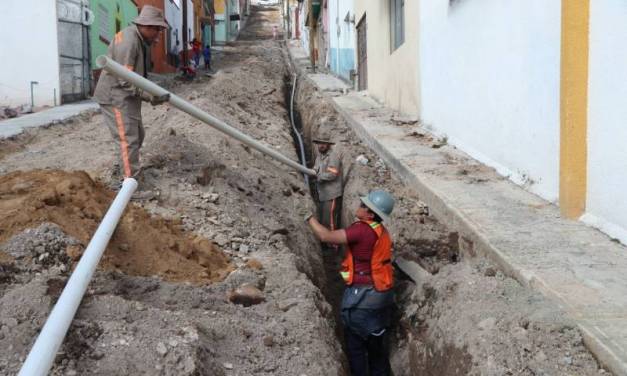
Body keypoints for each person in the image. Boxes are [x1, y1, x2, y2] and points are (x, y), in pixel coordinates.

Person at [304, 190, 396, 376]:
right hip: (382, 295)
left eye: (364, 205)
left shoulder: (362, 230)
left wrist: (308, 218)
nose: (359, 205)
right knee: (377, 346)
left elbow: (326, 236)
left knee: (356, 347)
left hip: (362, 299)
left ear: (370, 214)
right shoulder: (381, 231)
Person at [93, 5, 170, 198]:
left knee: (138, 135)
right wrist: (150, 96)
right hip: (116, 96)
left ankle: (126, 172)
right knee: (128, 139)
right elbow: (124, 80)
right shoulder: (129, 42)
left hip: (125, 95)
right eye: (157, 30)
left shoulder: (136, 37)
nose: (158, 34)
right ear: (148, 26)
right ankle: (130, 186)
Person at [312, 129, 343, 241]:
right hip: (323, 193)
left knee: (330, 221)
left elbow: (333, 174)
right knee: (323, 220)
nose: (321, 145)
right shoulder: (319, 156)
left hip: (331, 194)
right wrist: (313, 171)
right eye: (319, 143)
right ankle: (325, 242)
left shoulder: (332, 157)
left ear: (328, 145)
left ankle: (333, 245)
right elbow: (316, 167)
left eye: (323, 143)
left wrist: (319, 176)